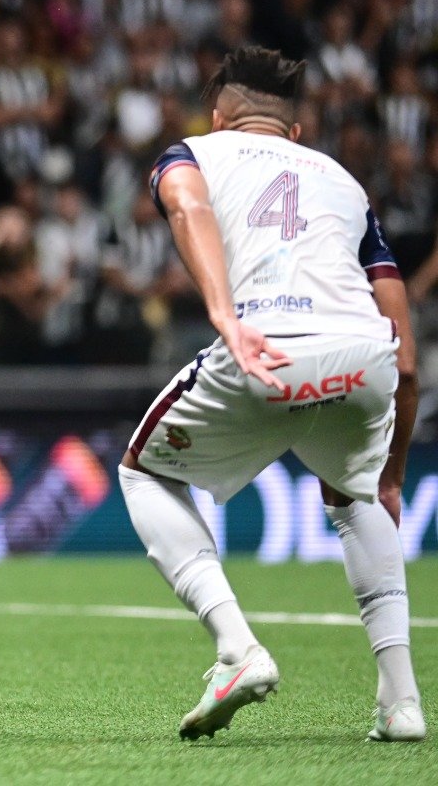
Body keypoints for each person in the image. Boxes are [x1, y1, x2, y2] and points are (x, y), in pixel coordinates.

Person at [125, 47, 424, 742]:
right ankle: (402, 701)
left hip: (268, 348)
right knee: (355, 496)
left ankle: (237, 649)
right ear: (294, 132)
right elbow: (407, 358)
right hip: (363, 358)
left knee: (143, 472)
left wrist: (224, 314)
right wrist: (391, 473)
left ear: (218, 117)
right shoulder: (346, 184)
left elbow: (187, 204)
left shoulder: (193, 153)